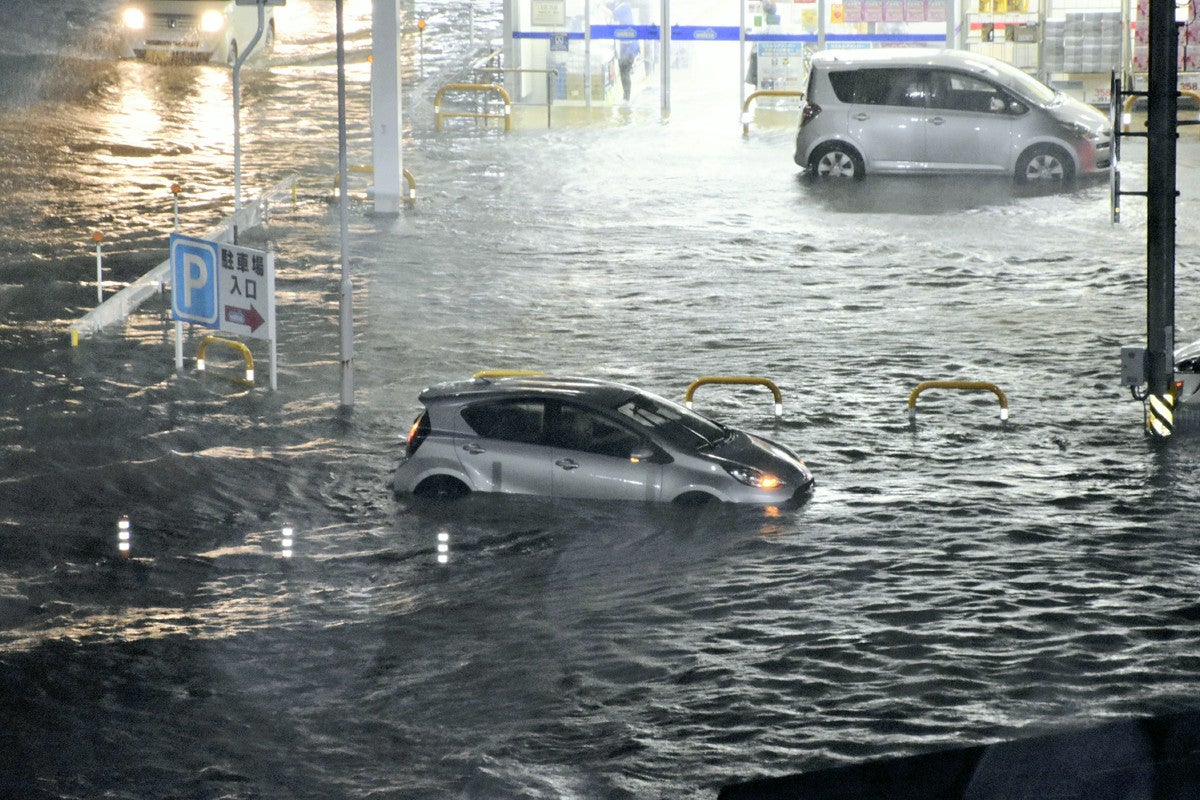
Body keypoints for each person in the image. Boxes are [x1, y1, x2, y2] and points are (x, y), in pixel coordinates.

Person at [607, 0, 639, 102]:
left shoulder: (625, 6)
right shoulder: (618, 4)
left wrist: (598, 6)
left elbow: (612, 14)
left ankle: (626, 98)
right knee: (623, 70)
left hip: (630, 46)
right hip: (624, 46)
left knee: (625, 70)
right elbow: (609, 5)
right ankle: (626, 97)